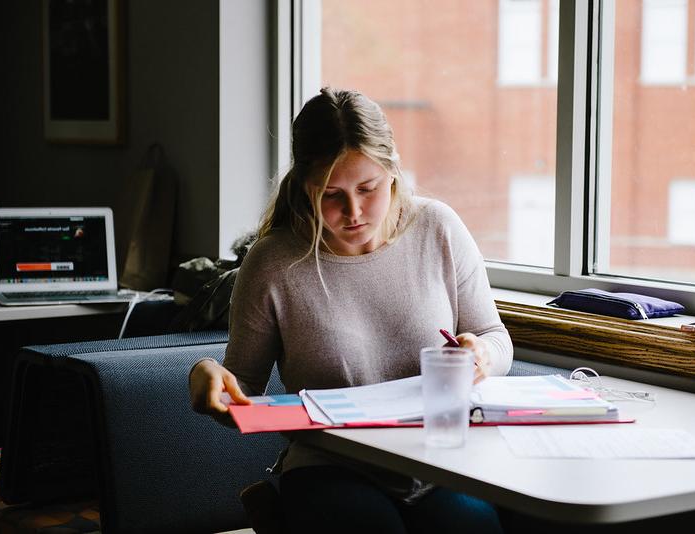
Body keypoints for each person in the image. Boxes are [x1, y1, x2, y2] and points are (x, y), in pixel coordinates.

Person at [189, 87, 513, 534]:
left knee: (471, 526)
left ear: (393, 171)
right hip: (328, 464)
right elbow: (242, 388)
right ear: (304, 188)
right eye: (331, 195)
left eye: (368, 188)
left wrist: (482, 356)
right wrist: (205, 374)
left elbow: (496, 338)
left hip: (435, 459)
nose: (354, 212)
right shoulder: (273, 262)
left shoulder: (438, 228)